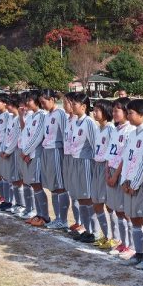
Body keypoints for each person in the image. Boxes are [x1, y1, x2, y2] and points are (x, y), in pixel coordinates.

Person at [119, 99, 143, 268]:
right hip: (130, 183)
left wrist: (134, 183)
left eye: (131, 113)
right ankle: (138, 254)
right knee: (134, 218)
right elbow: (126, 159)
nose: (128, 116)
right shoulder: (131, 133)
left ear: (142, 114)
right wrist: (123, 180)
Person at [104, 97, 136, 259]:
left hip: (122, 175)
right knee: (117, 210)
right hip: (111, 171)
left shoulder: (129, 130)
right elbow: (110, 153)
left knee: (126, 211)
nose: (114, 113)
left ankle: (132, 245)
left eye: (117, 110)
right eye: (113, 110)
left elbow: (126, 157)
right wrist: (106, 171)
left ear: (126, 111)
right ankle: (123, 242)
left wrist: (116, 175)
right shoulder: (115, 130)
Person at [68, 92, 99, 243]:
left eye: (75, 104)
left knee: (88, 198)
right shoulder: (75, 120)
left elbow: (95, 146)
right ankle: (86, 229)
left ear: (84, 106)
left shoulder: (89, 123)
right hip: (75, 161)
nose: (72, 106)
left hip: (86, 162)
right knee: (81, 198)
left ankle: (95, 232)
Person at [91, 99, 120, 249]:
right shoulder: (97, 129)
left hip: (106, 167)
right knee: (96, 203)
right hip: (96, 166)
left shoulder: (110, 129)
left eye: (97, 110)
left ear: (106, 112)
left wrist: (109, 170)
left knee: (109, 205)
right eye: (94, 110)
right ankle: (105, 234)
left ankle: (115, 237)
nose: (94, 113)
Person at [39, 89, 69, 230]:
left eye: (44, 102)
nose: (42, 105)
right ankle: (57, 218)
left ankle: (63, 219)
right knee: (52, 187)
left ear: (51, 99)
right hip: (47, 151)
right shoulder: (47, 115)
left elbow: (65, 135)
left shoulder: (60, 114)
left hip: (57, 151)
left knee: (60, 186)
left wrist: (65, 154)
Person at [20, 90, 47, 226]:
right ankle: (39, 214)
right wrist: (24, 151)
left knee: (37, 184)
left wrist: (26, 152)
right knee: (33, 184)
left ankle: (44, 216)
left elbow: (38, 136)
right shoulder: (30, 116)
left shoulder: (42, 115)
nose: (27, 102)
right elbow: (25, 134)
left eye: (30, 100)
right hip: (28, 154)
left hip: (36, 154)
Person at [0, 93, 25, 213]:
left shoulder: (18, 119)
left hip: (15, 151)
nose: (7, 107)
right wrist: (3, 149)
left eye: (9, 104)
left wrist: (8, 151)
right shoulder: (10, 117)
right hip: (8, 151)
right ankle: (14, 203)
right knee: (11, 178)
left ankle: (21, 204)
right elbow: (6, 135)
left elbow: (16, 137)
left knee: (18, 179)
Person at [62, 92, 83, 232]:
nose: (65, 105)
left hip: (77, 158)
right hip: (67, 157)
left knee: (78, 192)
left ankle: (82, 222)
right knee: (72, 192)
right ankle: (77, 221)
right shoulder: (67, 119)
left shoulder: (80, 121)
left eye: (67, 102)